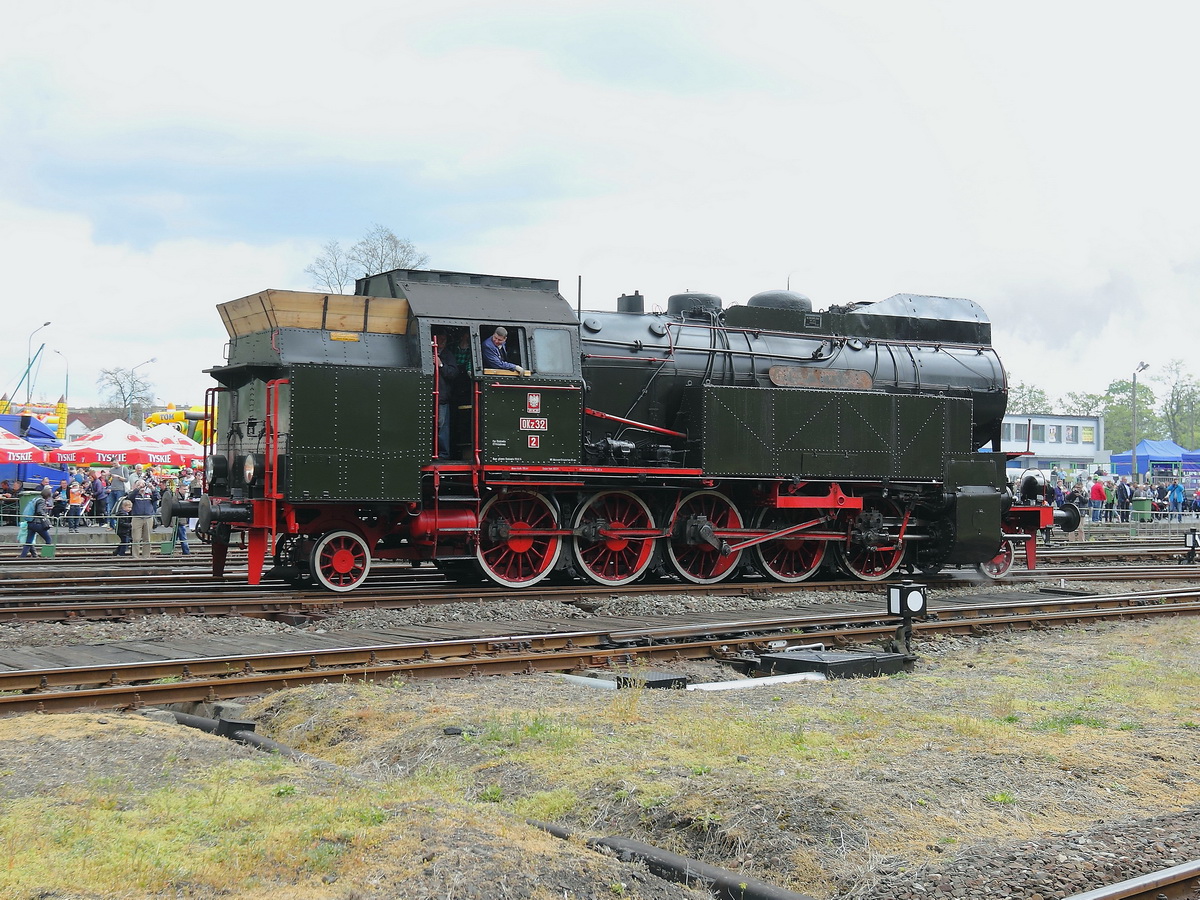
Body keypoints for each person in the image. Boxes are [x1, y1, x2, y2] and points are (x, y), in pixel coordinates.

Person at [433, 332, 460, 459]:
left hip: (442, 397)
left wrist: (440, 365)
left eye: (444, 339)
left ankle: (443, 454)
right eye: (440, 338)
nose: (442, 341)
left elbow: (453, 373)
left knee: (442, 428)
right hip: (430, 396)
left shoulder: (448, 355)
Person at [126, 478, 159, 559]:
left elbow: (157, 497)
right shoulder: (134, 494)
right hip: (137, 518)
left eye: (143, 485)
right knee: (136, 538)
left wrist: (152, 488)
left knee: (147, 539)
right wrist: (137, 489)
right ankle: (135, 556)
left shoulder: (149, 495)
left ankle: (146, 556)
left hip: (148, 518)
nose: (141, 487)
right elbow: (129, 498)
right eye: (139, 485)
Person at [18, 486, 53, 558]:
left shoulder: (36, 499)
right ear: (48, 496)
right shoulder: (42, 501)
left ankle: (22, 556)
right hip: (38, 524)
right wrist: (45, 515)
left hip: (30, 523)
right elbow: (39, 511)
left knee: (28, 542)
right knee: (48, 539)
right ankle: (47, 556)